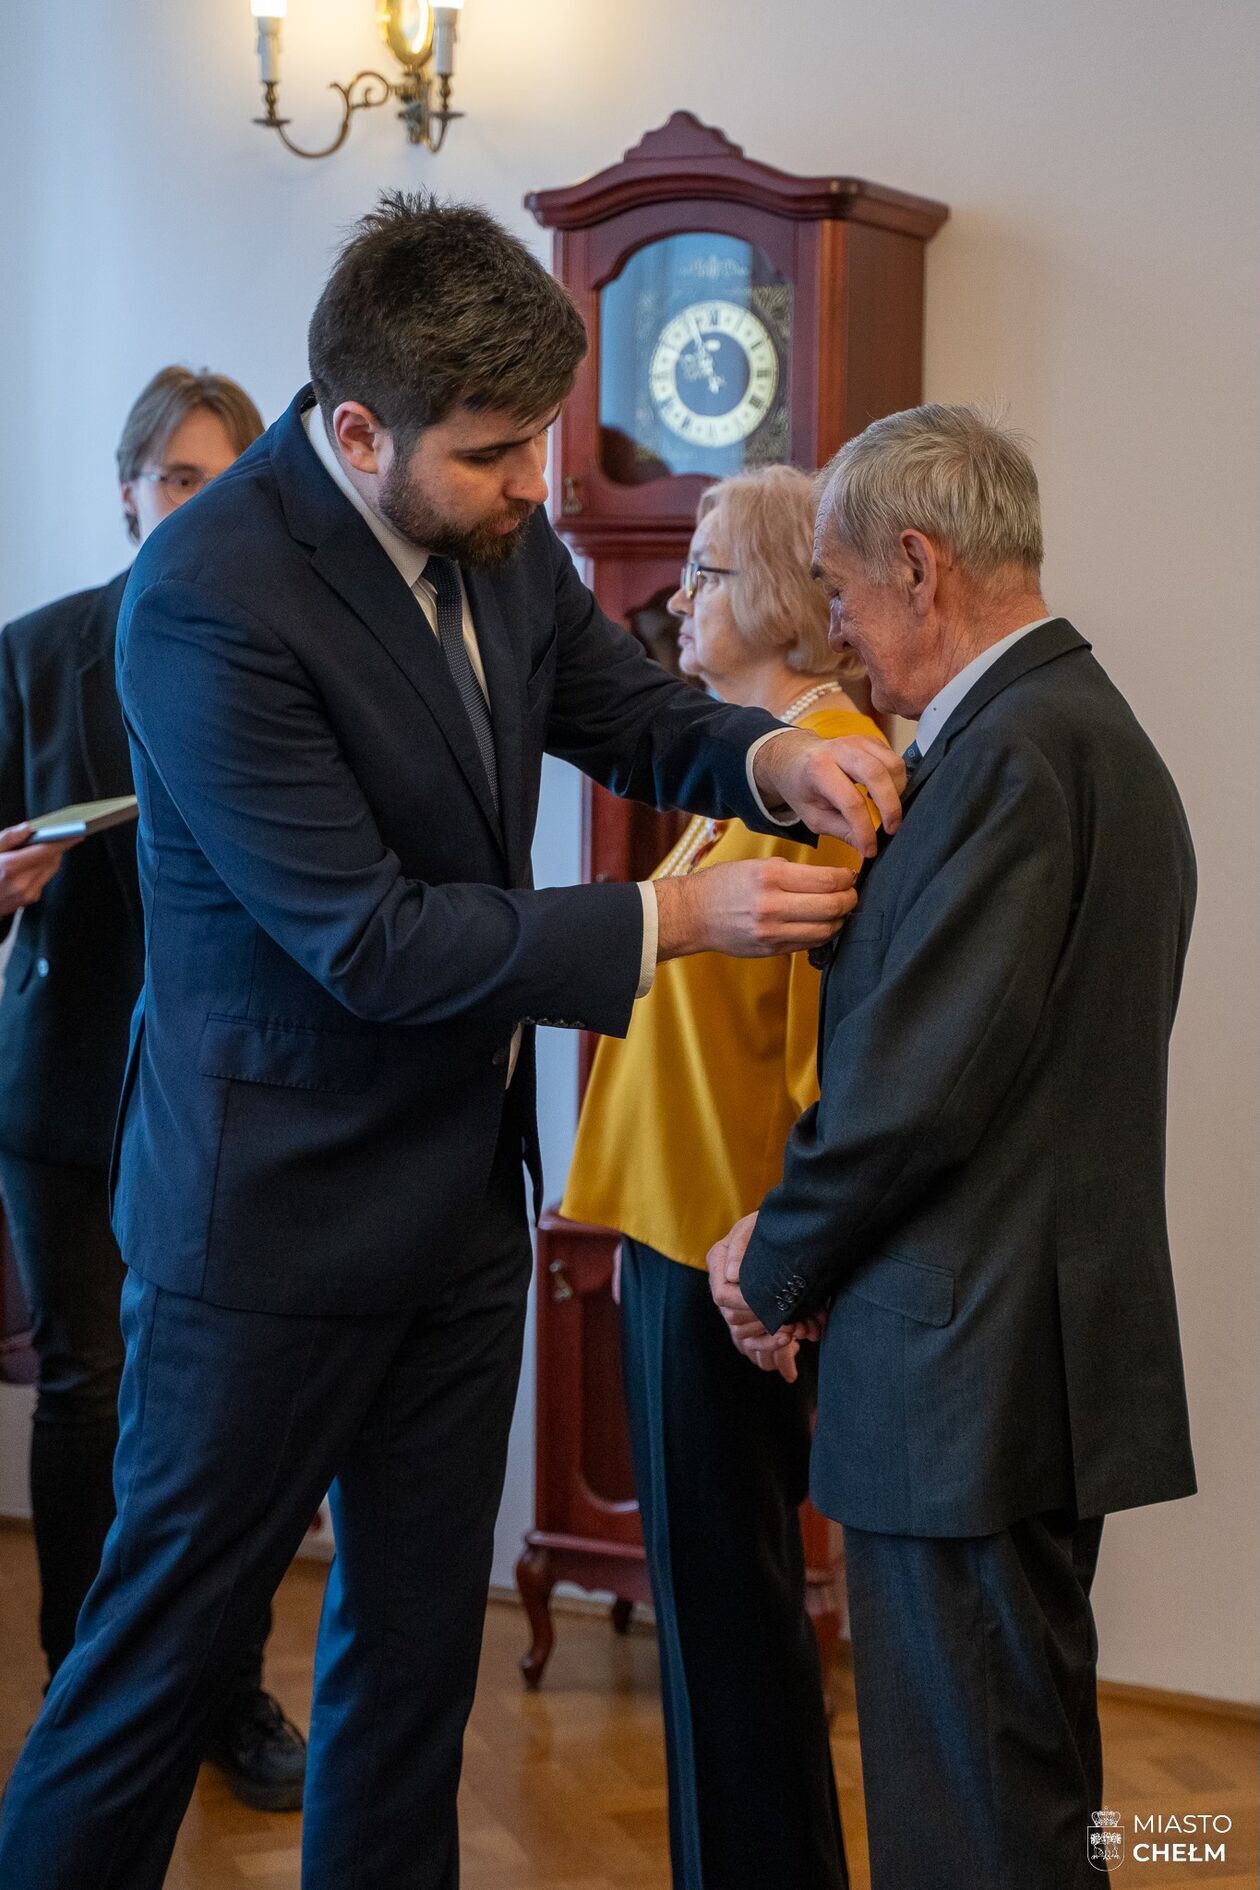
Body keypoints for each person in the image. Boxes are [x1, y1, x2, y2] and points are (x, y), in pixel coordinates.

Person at [0, 194, 905, 1890]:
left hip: (462, 1214)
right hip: (262, 1234)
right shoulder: (204, 598)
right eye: (494, 454)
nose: (531, 486)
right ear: (358, 432)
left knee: (413, 1671)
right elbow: (368, 939)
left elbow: (624, 708)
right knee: (148, 1674)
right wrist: (671, 921)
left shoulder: (499, 533)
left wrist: (768, 760)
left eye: (539, 443)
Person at [709, 405, 1197, 1890]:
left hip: (966, 1369)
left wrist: (775, 1263)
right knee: (1012, 1790)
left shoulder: (1012, 756)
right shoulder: (1072, 732)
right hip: (1006, 1354)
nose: (840, 634)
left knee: (978, 1819)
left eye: (844, 591)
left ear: (919, 565)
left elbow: (918, 1088)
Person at [562, 465, 886, 1890]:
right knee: (711, 1612)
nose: (678, 597)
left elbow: (832, 1051)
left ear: (777, 590)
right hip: (673, 1229)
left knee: (731, 1611)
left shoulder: (830, 768)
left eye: (704, 568)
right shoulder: (759, 760)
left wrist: (786, 1253)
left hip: (728, 1252)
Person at [0, 365, 309, 1812]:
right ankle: (83, 1691)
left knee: (224, 1410)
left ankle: (224, 1689)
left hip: (232, 1088)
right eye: (173, 479)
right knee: (89, 1388)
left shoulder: (284, 650)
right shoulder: (30, 654)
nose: (194, 503)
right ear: (129, 494)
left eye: (220, 479)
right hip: (63, 1087)